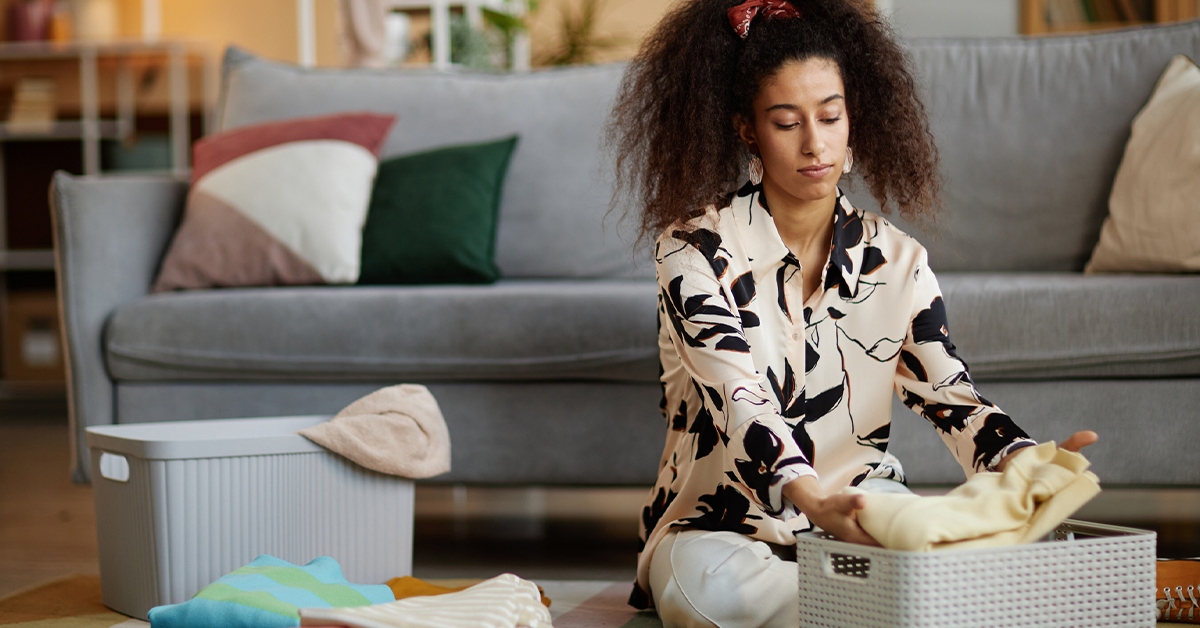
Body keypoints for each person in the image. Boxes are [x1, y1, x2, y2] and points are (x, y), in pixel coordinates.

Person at [606, 1, 1099, 626]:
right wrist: (811, 499)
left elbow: (951, 396)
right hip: (722, 528)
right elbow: (739, 400)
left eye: (831, 117)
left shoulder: (898, 259)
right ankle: (903, 603)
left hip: (860, 507)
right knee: (713, 598)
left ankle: (883, 599)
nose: (816, 144)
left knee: (904, 549)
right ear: (745, 129)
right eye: (786, 123)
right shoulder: (693, 251)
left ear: (852, 119)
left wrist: (1025, 460)